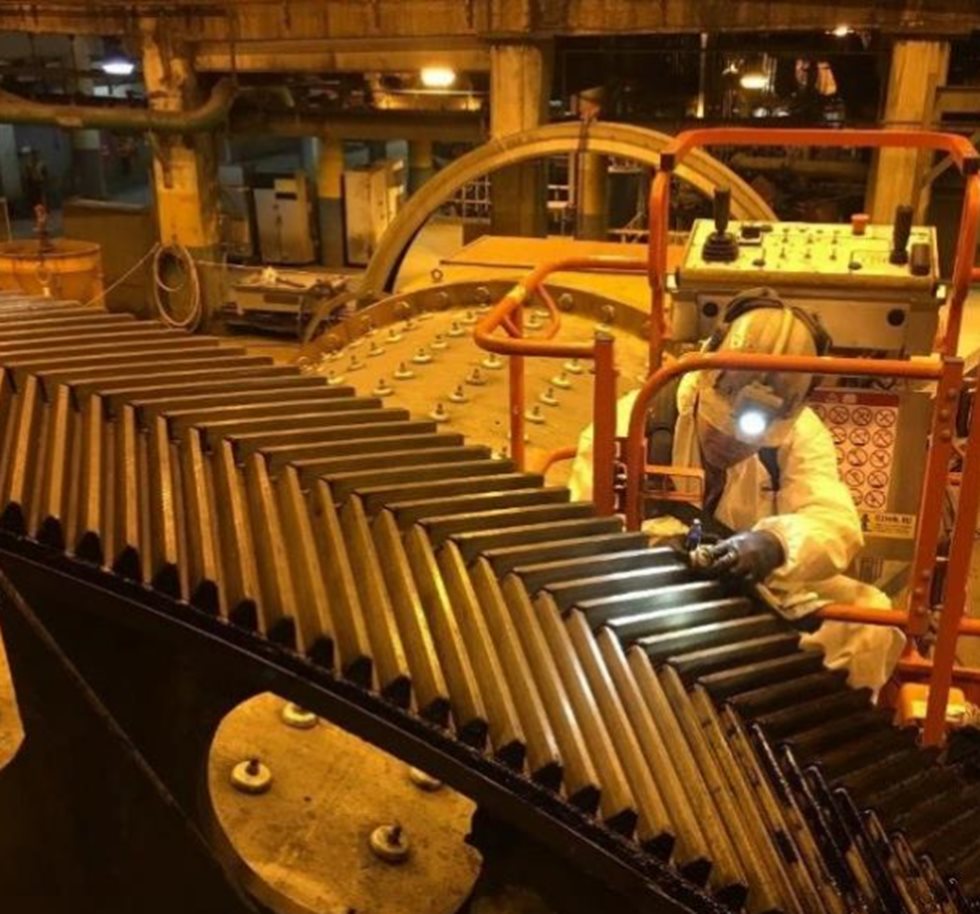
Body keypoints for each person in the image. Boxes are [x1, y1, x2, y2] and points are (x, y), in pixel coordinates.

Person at [568, 288, 905, 693]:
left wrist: (773, 545)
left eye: (747, 439)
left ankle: (796, 715)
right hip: (653, 598)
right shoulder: (628, 425)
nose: (729, 443)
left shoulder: (801, 433)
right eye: (719, 424)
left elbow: (834, 522)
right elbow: (584, 549)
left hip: (753, 591)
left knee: (870, 620)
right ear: (705, 375)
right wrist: (656, 552)